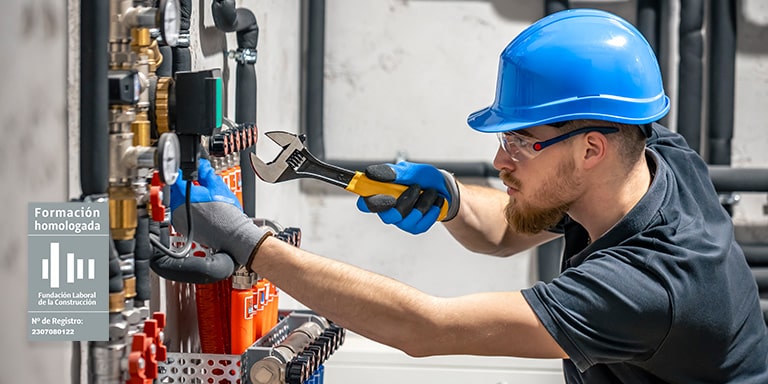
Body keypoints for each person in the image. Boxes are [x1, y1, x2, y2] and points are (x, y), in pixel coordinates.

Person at [170, 9, 768, 383]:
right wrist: (452, 198)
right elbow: (508, 230)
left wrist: (249, 244)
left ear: (591, 149)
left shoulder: (652, 285)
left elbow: (429, 329)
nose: (500, 160)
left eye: (522, 141)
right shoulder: (652, 154)